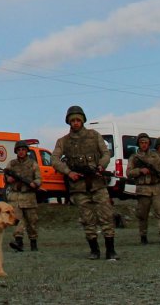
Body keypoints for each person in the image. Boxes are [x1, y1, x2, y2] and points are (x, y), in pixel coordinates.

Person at [51, 106, 118, 260]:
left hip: (98, 184)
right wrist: (69, 172)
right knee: (87, 220)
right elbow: (54, 160)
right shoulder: (63, 141)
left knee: (106, 217)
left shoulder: (94, 136)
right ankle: (94, 250)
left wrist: (101, 165)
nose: (75, 123)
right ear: (68, 122)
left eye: (78, 120)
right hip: (79, 188)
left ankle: (111, 250)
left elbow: (106, 153)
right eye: (72, 120)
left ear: (83, 120)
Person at [126, 133, 160, 245]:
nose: (144, 145)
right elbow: (129, 173)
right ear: (138, 144)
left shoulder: (156, 157)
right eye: (141, 143)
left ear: (149, 143)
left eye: (146, 142)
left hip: (156, 188)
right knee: (142, 215)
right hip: (143, 189)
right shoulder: (134, 158)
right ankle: (143, 236)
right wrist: (140, 171)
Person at [5, 140, 42, 252]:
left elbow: (39, 179)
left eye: (23, 150)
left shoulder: (33, 164)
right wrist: (7, 179)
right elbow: (5, 175)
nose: (21, 152)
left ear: (27, 151)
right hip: (15, 196)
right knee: (17, 220)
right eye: (19, 150)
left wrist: (34, 183)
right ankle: (18, 242)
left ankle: (33, 242)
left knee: (31, 222)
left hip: (29, 196)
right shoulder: (12, 164)